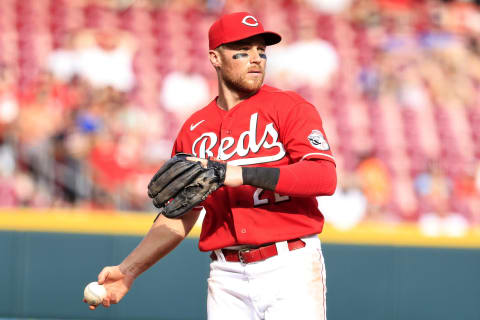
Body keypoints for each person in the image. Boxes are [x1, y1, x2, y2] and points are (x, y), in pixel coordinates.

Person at [86, 12, 337, 320]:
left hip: (289, 266)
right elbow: (181, 213)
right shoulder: (194, 129)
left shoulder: (289, 107)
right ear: (215, 58)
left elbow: (323, 176)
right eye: (242, 50)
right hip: (226, 273)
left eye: (261, 50)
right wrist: (128, 270)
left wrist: (238, 174)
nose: (256, 58)